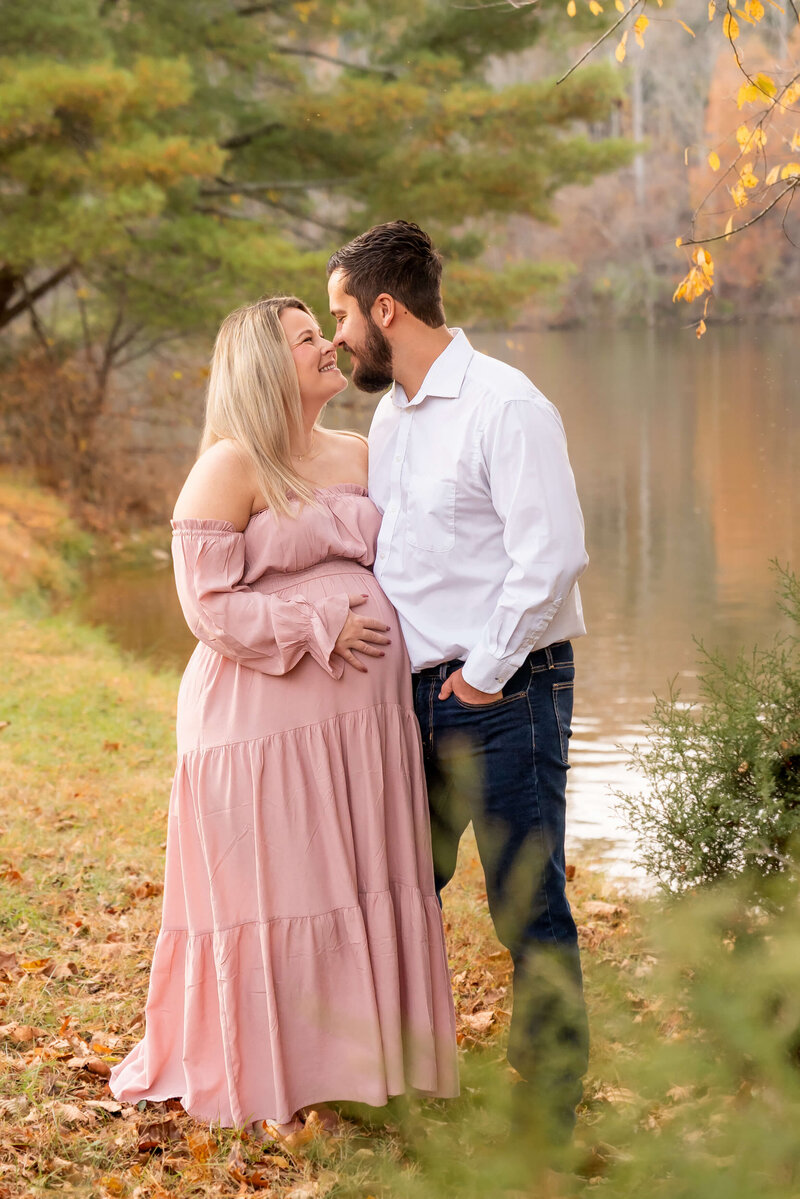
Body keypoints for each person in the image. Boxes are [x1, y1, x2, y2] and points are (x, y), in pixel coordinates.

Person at [109, 296, 459, 1137]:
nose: (330, 345)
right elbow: (206, 607)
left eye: (322, 330)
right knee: (288, 888)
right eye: (308, 339)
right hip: (263, 724)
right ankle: (288, 1091)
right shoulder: (230, 465)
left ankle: (375, 1069)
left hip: (364, 726)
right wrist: (319, 624)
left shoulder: (359, 450)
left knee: (363, 879)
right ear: (266, 365)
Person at [327, 222, 590, 1137]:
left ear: (385, 308)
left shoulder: (505, 405)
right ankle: (384, 1075)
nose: (337, 336)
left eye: (343, 313)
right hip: (415, 701)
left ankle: (546, 1112)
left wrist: (479, 679)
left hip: (508, 691)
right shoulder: (390, 418)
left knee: (527, 902)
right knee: (399, 888)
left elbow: (551, 557)